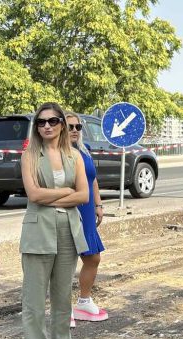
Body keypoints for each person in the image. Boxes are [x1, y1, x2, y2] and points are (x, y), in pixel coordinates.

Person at [19, 103, 89, 339]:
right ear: (36, 127)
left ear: (62, 124)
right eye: (41, 122)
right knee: (34, 300)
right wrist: (66, 191)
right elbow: (34, 195)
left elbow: (83, 195)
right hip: (38, 231)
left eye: (53, 121)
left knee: (62, 297)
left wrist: (56, 195)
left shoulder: (75, 156)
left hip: (68, 230)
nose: (46, 126)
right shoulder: (30, 156)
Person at [65, 111, 108, 326]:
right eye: (70, 127)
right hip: (70, 210)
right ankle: (63, 310)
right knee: (65, 262)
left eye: (78, 127)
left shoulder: (85, 150)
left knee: (93, 258)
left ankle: (83, 301)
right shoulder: (58, 154)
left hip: (88, 211)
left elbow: (93, 180)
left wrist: (98, 204)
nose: (74, 130)